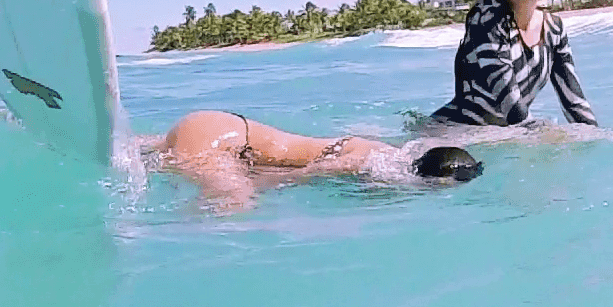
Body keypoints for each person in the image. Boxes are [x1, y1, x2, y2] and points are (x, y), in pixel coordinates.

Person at [147, 109, 482, 210]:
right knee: (236, 205)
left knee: (151, 155)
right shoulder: (367, 162)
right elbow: (300, 175)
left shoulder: (390, 155)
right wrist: (245, 187)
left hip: (223, 130)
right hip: (224, 138)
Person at [430, 0, 598, 128]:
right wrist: (545, 134)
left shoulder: (554, 29)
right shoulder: (486, 20)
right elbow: (510, 105)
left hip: (499, 137)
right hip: (450, 135)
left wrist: (597, 141)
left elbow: (575, 103)